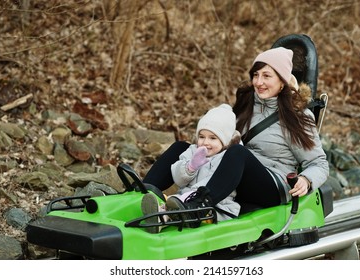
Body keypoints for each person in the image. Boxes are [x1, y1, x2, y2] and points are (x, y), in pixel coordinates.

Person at [142, 46, 329, 229]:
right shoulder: (247, 103)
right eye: (256, 75)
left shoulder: (298, 116)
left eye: (266, 76)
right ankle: (141, 193)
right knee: (182, 147)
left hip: (273, 187)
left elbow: (319, 163)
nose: (259, 82)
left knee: (238, 153)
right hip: (236, 175)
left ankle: (199, 205)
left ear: (282, 81)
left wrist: (306, 180)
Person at [141, 104, 241, 233]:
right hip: (185, 200)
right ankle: (159, 219)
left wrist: (187, 198)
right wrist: (190, 167)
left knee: (177, 205)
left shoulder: (227, 158)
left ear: (226, 141)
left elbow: (215, 184)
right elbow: (178, 179)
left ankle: (167, 215)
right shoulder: (193, 151)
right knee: (169, 202)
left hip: (215, 207)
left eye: (213, 138)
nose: (205, 142)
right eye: (201, 136)